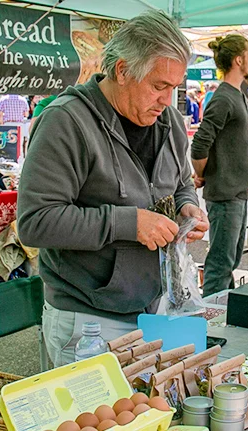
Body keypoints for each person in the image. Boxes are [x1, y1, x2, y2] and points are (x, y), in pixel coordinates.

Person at [17, 10, 209, 366]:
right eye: (158, 86)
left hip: (156, 309)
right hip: (87, 322)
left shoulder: (168, 120)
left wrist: (187, 206)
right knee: (91, 421)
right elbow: (35, 222)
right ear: (122, 71)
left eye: (174, 87)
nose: (168, 100)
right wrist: (129, 223)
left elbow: (181, 181)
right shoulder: (66, 122)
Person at [191, 35, 248, 298]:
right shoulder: (223, 97)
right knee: (220, 266)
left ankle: (220, 318)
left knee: (229, 263)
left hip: (235, 192)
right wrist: (201, 174)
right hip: (225, 193)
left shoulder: (235, 95)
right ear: (239, 59)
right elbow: (200, 143)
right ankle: (212, 325)